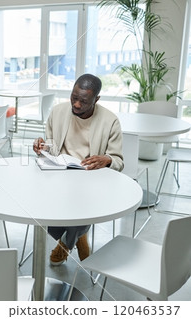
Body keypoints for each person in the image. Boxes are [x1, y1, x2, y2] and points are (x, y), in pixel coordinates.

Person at [33, 73, 123, 266]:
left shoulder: (110, 121)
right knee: (40, 205)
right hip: (60, 174)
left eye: (83, 101)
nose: (76, 105)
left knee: (81, 204)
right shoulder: (57, 112)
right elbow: (52, 147)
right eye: (74, 97)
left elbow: (118, 161)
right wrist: (42, 147)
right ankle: (79, 235)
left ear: (96, 100)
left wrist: (106, 159)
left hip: (90, 179)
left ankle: (66, 243)